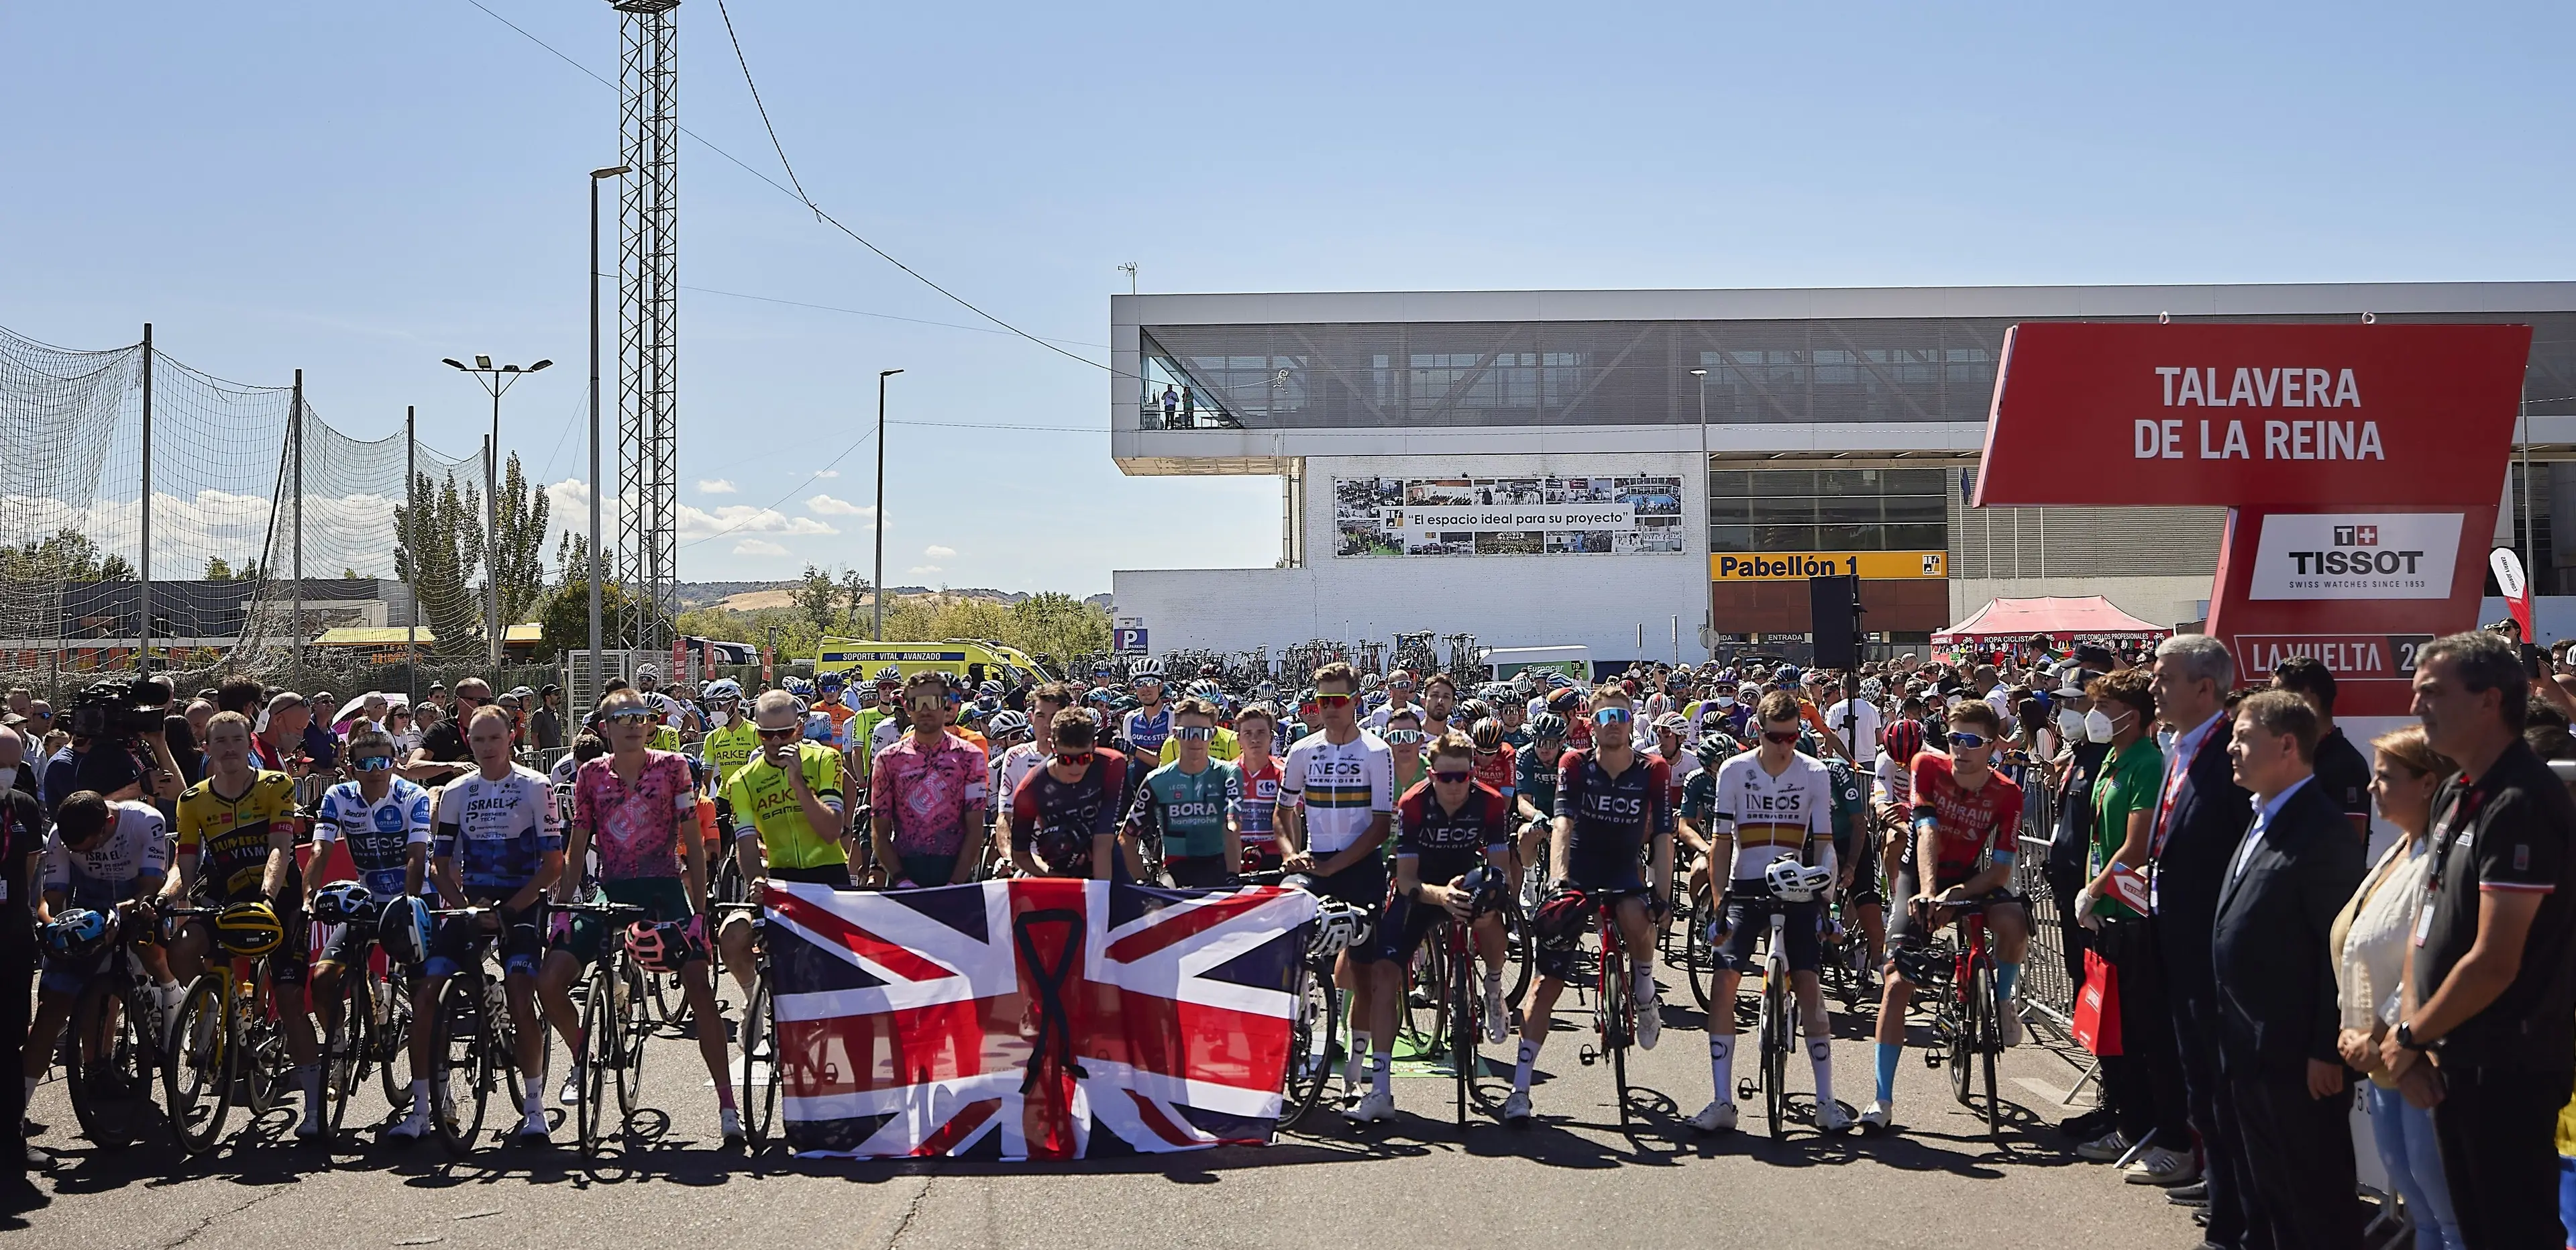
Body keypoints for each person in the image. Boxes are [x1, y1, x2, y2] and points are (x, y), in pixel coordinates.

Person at [2383, 631, 2576, 1250]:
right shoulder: (2455, 791)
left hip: (2508, 1067)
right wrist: (2413, 1038)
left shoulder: (2523, 798)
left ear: (2491, 700)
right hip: (2451, 1057)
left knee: (2513, 1231)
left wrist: (2411, 1037)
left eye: (2434, 694)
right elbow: (2427, 926)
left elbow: (2495, 960)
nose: (2417, 708)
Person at [540, 688, 740, 1145]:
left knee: (697, 980)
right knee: (549, 980)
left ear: (650, 723)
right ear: (604, 727)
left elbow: (692, 836)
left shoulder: (672, 767)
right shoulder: (589, 774)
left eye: (639, 716)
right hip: (610, 888)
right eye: (621, 717)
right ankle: (583, 1055)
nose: (632, 724)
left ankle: (728, 1105)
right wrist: (563, 909)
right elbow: (576, 849)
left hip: (664, 886)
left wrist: (700, 913)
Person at [2209, 690, 2366, 1249]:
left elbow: (2337, 947)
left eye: (2243, 736)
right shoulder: (2261, 815)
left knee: (2314, 1201)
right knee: (2271, 1197)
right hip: (2251, 1049)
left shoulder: (2320, 829)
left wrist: (2327, 1048)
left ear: (2287, 744)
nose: (2231, 748)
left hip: (2298, 1059)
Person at [1506, 684, 1673, 1128]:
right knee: (1546, 984)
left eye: (1620, 715)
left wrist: (1665, 893)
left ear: (1631, 718)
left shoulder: (1652, 768)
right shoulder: (1574, 763)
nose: (1612, 723)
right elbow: (1562, 822)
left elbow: (1662, 836)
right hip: (1580, 864)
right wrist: (1560, 882)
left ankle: (1643, 990)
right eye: (1602, 717)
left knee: (1638, 916)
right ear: (1589, 724)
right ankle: (1520, 1088)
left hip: (1623, 866)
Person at [2142, 633, 2257, 1243]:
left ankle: (2237, 1222)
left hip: (2219, 959)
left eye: (2165, 678)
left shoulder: (2231, 752)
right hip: (2179, 949)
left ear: (2204, 687)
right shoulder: (2181, 747)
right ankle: (2224, 1212)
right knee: (2204, 1093)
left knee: (2227, 1096)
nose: (2153, 687)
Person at [1693, 691, 1850, 1134]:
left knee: (1809, 986)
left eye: (1793, 736)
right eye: (1777, 736)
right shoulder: (1734, 771)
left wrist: (1826, 895)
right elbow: (1722, 842)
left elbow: (1824, 843)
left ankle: (1825, 1100)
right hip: (1746, 884)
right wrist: (1720, 903)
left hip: (1798, 884)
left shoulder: (1814, 772)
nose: (1786, 745)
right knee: (1724, 981)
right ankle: (1723, 1100)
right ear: (1758, 732)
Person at [404, 705, 562, 1144]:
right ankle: (420, 1109)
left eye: (494, 738)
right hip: (472, 903)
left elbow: (553, 865)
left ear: (511, 737)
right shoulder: (457, 790)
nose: (487, 747)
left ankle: (534, 1108)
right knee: (427, 994)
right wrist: (464, 906)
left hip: (522, 902)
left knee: (518, 987)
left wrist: (510, 908)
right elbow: (439, 865)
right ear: (468, 743)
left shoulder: (536, 786)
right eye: (478, 740)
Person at [1868, 698, 2027, 1133]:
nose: (1960, 748)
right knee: (1898, 981)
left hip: (1973, 877)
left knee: (2015, 922)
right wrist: (1928, 893)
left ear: (1992, 745)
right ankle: (1882, 1098)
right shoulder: (1927, 766)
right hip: (1920, 875)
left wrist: (1955, 893)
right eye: (1954, 737)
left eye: (1972, 740)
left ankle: (2002, 998)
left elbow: (1999, 869)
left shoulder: (2008, 792)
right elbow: (1926, 831)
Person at [2333, 725, 2463, 1250]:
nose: (2371, 787)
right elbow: (2360, 944)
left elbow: (2427, 957)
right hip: (2382, 1061)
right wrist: (2352, 1026)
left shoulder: (2442, 857)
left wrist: (2386, 1035)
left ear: (2428, 782)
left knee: (2451, 1219)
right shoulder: (2397, 853)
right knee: (2423, 1213)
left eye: (2385, 777)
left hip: (2416, 1060)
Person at [162, 712, 323, 1137]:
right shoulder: (192, 799)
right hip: (225, 894)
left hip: (278, 898)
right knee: (179, 948)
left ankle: (313, 1105)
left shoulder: (275, 784)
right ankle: (212, 1003)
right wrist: (163, 897)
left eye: (238, 739)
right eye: (221, 741)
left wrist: (267, 898)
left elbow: (280, 849)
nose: (230, 748)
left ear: (247, 744)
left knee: (289, 1001)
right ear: (207, 748)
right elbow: (187, 861)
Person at [2068, 668, 2195, 1184]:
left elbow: (2136, 846)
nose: (2095, 714)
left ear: (2132, 714)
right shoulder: (2112, 760)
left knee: (2147, 1032)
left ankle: (2168, 1135)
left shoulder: (2146, 760)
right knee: (2115, 1031)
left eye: (2105, 704)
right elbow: (2100, 835)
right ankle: (2129, 1121)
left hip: (2132, 916)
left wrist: (2094, 890)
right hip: (2106, 916)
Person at [20, 792, 177, 1153]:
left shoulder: (146, 820)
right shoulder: (62, 834)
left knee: (148, 946)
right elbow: (52, 897)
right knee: (51, 1011)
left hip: (137, 905)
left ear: (107, 824)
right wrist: (51, 925)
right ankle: (16, 1111)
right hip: (86, 916)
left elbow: (151, 885)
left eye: (89, 848)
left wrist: (129, 910)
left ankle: (169, 994)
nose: (85, 856)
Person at [1275, 662, 1397, 1120]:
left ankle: (1354, 1076)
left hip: (1360, 865)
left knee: (1363, 976)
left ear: (1355, 701)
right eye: (1321, 700)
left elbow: (1381, 826)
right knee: (1285, 926)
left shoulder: (1376, 750)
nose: (1328, 709)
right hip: (1316, 862)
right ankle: (1299, 1023)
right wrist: (1290, 851)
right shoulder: (1303, 749)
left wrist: (1335, 864)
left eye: (1337, 700)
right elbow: (1282, 812)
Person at [305, 729, 432, 1110]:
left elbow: (416, 853)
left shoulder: (413, 796)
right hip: (365, 902)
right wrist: (309, 896)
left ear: (394, 761)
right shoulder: (338, 797)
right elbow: (321, 848)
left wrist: (407, 902)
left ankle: (437, 1096)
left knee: (424, 994)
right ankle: (339, 1048)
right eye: (366, 763)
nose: (376, 770)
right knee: (324, 979)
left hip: (410, 900)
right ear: (351, 767)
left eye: (383, 761)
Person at [1383, 731, 1517, 1064]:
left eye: (1463, 776)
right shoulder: (1413, 803)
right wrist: (1441, 895)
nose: (1455, 785)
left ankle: (1494, 988)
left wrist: (1493, 898)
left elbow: (1501, 870)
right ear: (1431, 775)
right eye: (1446, 778)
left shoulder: (1490, 802)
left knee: (1490, 912)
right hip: (1424, 882)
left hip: (1466, 874)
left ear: (1472, 773)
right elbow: (1407, 879)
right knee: (1384, 965)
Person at [712, 690, 851, 998]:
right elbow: (746, 845)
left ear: (799, 728)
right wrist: (756, 881)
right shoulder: (743, 781)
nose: (776, 742)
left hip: (828, 876)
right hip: (779, 879)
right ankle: (755, 1003)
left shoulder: (825, 760)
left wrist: (799, 784)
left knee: (834, 976)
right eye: (766, 735)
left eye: (785, 733)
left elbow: (831, 832)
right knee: (733, 935)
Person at [869, 672, 989, 888]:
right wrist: (901, 879)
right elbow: (880, 830)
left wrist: (955, 883)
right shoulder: (888, 760)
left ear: (945, 705)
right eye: (918, 703)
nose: (925, 710)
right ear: (907, 708)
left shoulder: (971, 756)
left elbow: (975, 828)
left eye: (932, 702)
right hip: (904, 873)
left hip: (955, 874)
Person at [1126, 698, 1242, 888]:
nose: (1195, 740)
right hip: (1175, 869)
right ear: (1175, 735)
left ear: (1212, 734)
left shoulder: (1228, 773)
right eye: (1187, 733)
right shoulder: (1157, 779)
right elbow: (1126, 838)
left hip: (1219, 867)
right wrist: (1145, 883)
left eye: (1202, 733)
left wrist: (1233, 875)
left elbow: (1232, 826)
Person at [1006, 710, 1128, 880]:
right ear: (1052, 747)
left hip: (1104, 853)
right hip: (1057, 865)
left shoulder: (1112, 764)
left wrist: (1099, 896)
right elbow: (1021, 855)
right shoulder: (1030, 790)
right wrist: (1058, 879)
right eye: (1066, 760)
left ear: (1094, 745)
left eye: (1085, 758)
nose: (1075, 768)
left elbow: (1103, 841)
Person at [2270, 656, 2372, 835]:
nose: (2271, 706)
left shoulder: (2346, 764)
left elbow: (2348, 845)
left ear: (2308, 698)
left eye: (2279, 695)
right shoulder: (2290, 758)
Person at [0, 748, 38, 1185]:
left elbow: (30, 870)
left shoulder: (24, 806)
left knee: (11, 1039)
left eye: (13, 761)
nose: (7, 770)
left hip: (13, 939)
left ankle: (12, 1138)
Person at [1232, 702, 1285, 874]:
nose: (1255, 739)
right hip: (1235, 858)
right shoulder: (1226, 774)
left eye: (1261, 733)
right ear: (1239, 739)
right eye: (1248, 733)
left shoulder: (1284, 772)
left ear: (1271, 737)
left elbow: (1292, 819)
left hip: (1276, 859)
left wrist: (1291, 857)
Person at [698, 678, 758, 787]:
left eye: (718, 705)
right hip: (724, 797)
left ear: (734, 703)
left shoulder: (756, 732)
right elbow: (706, 779)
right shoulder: (712, 737)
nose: (714, 711)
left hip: (752, 797)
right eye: (710, 707)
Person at [531, 684, 565, 753]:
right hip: (545, 757)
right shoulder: (540, 714)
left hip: (556, 755)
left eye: (559, 694)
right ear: (547, 698)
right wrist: (539, 755)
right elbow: (534, 736)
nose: (559, 697)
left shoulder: (556, 714)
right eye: (556, 694)